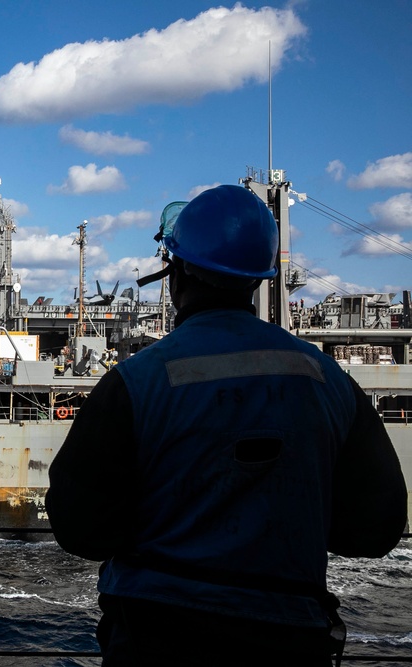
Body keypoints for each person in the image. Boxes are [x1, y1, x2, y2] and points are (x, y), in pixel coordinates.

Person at [46, 185, 407, 667]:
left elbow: (79, 529)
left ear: (178, 275)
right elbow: (377, 528)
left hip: (158, 639)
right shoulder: (330, 382)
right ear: (257, 280)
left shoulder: (135, 382)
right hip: (290, 642)